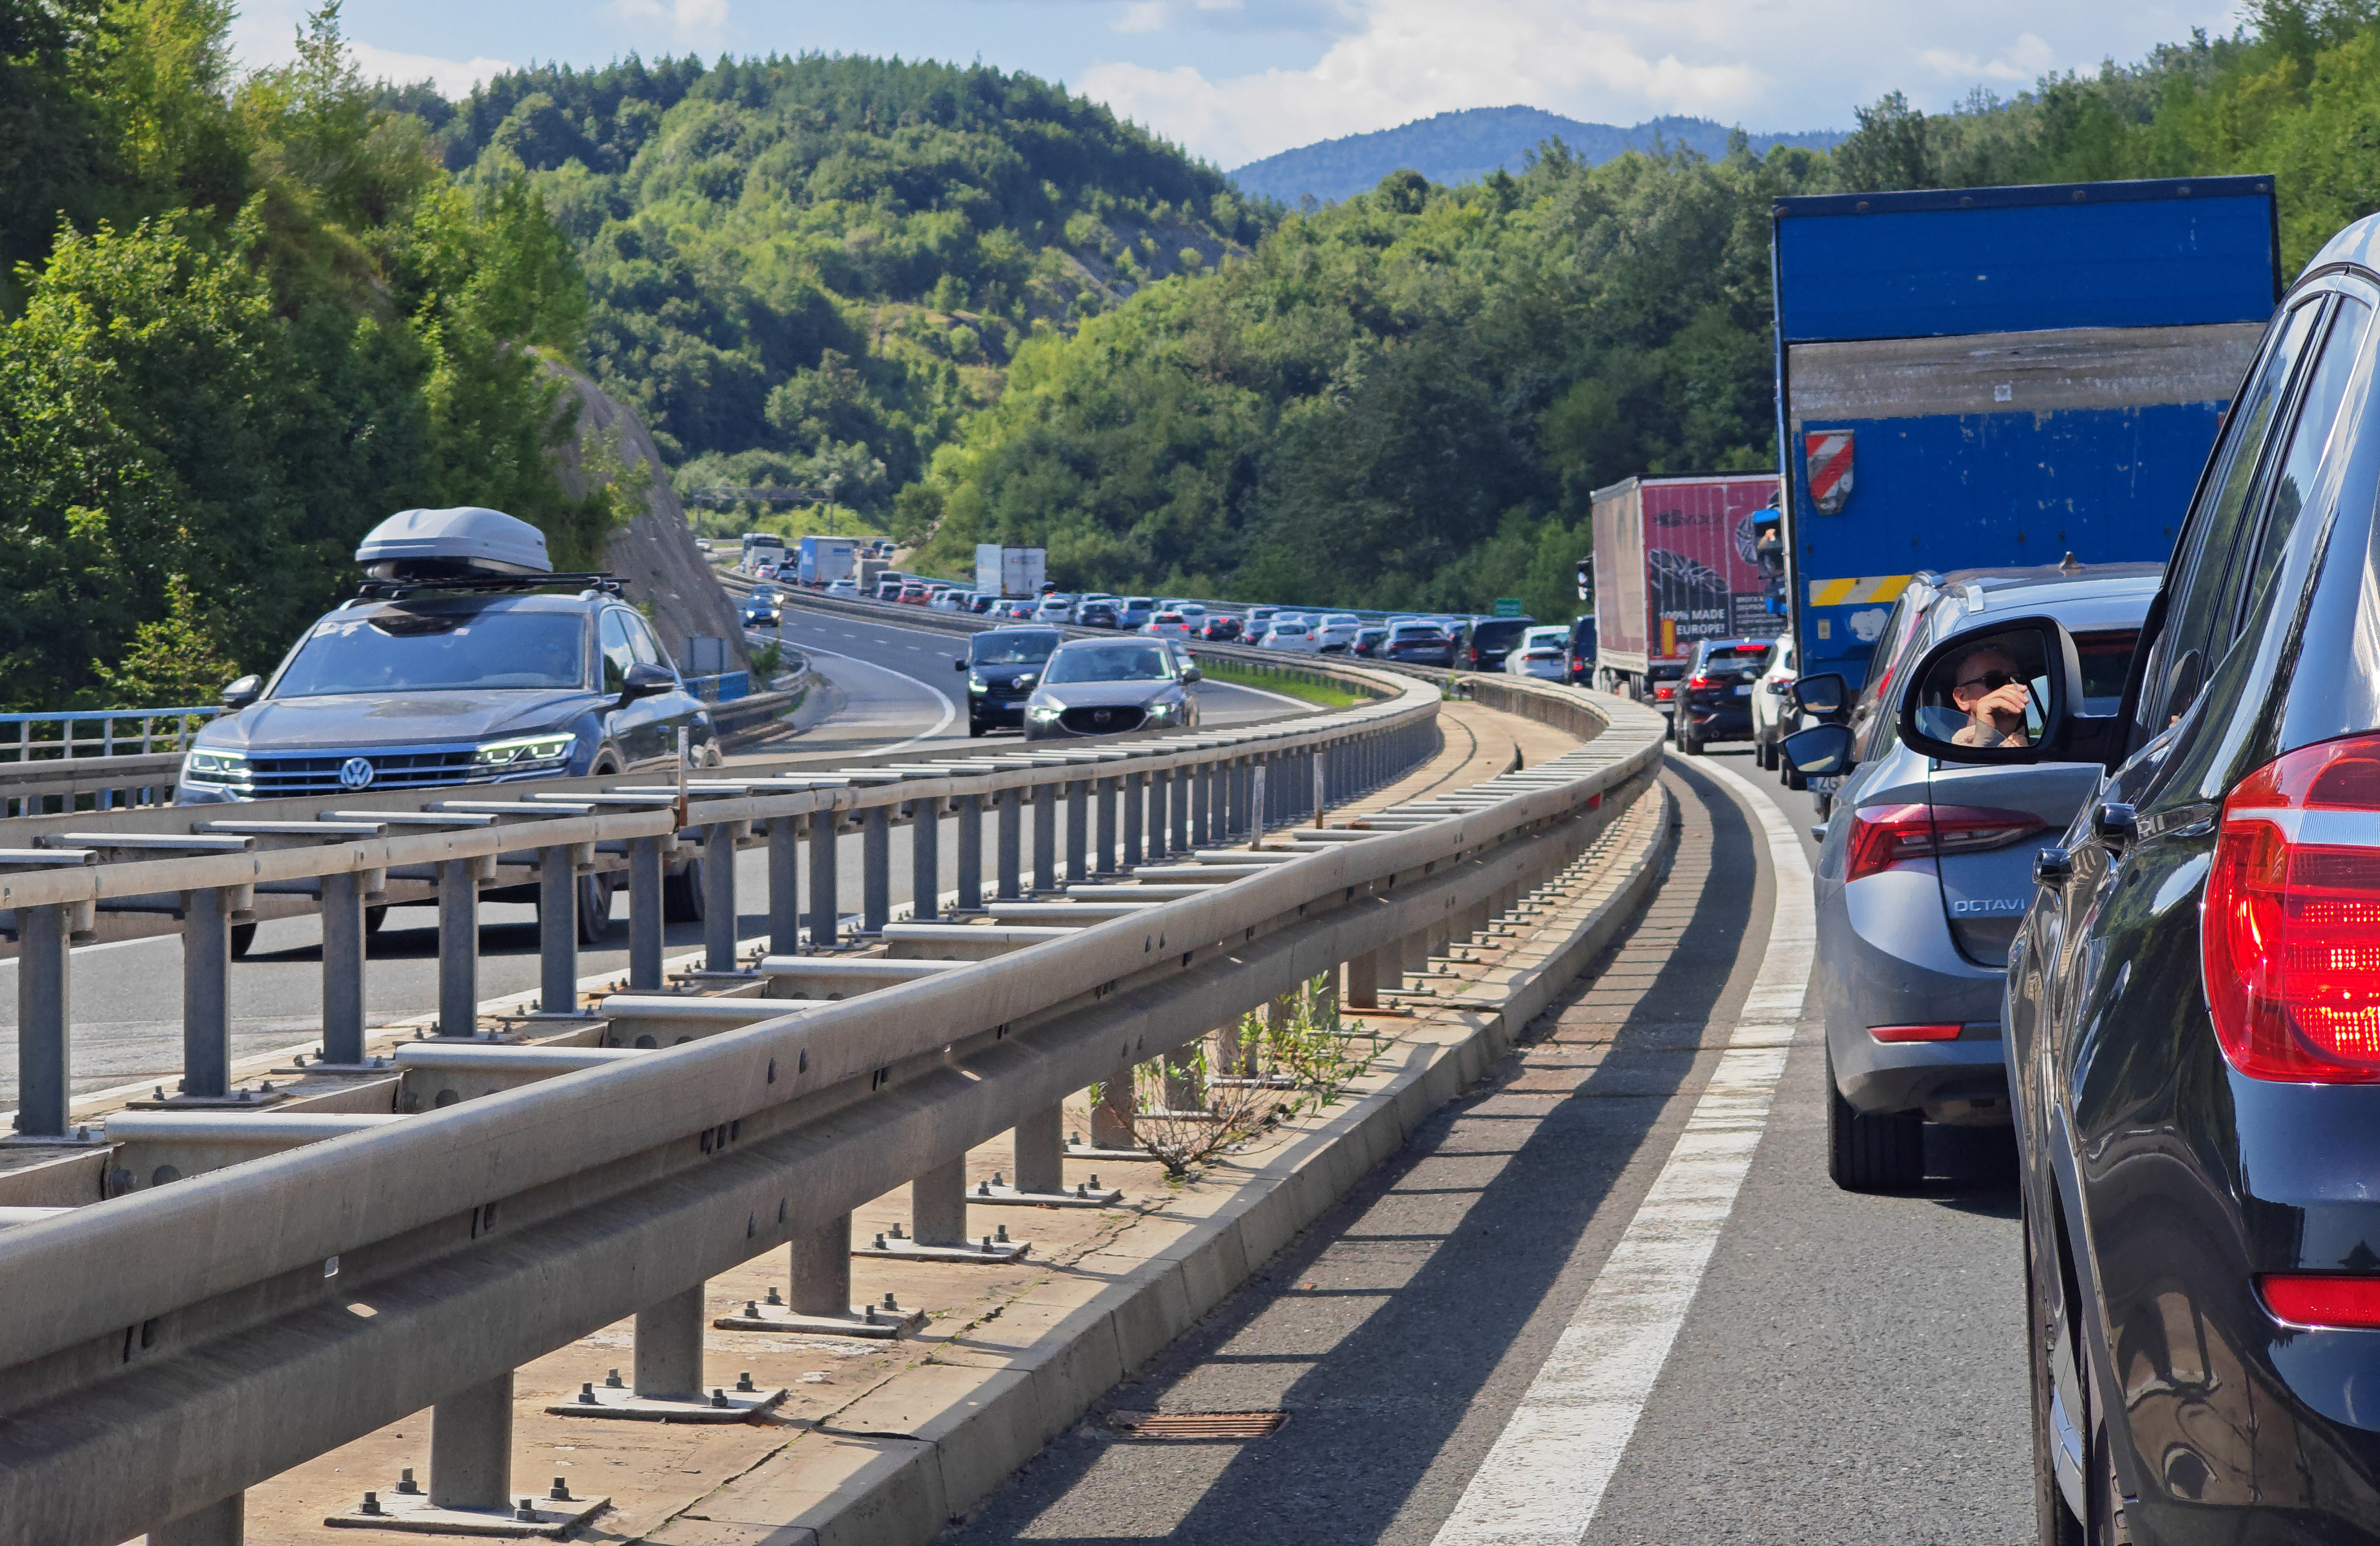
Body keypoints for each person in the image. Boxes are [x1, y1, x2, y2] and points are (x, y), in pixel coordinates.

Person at [1949, 644, 2034, 748]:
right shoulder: (1948, 751)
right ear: (1962, 698)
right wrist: (1983, 743)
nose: (2008, 687)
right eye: (1994, 680)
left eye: (2015, 680)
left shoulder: (2026, 743)